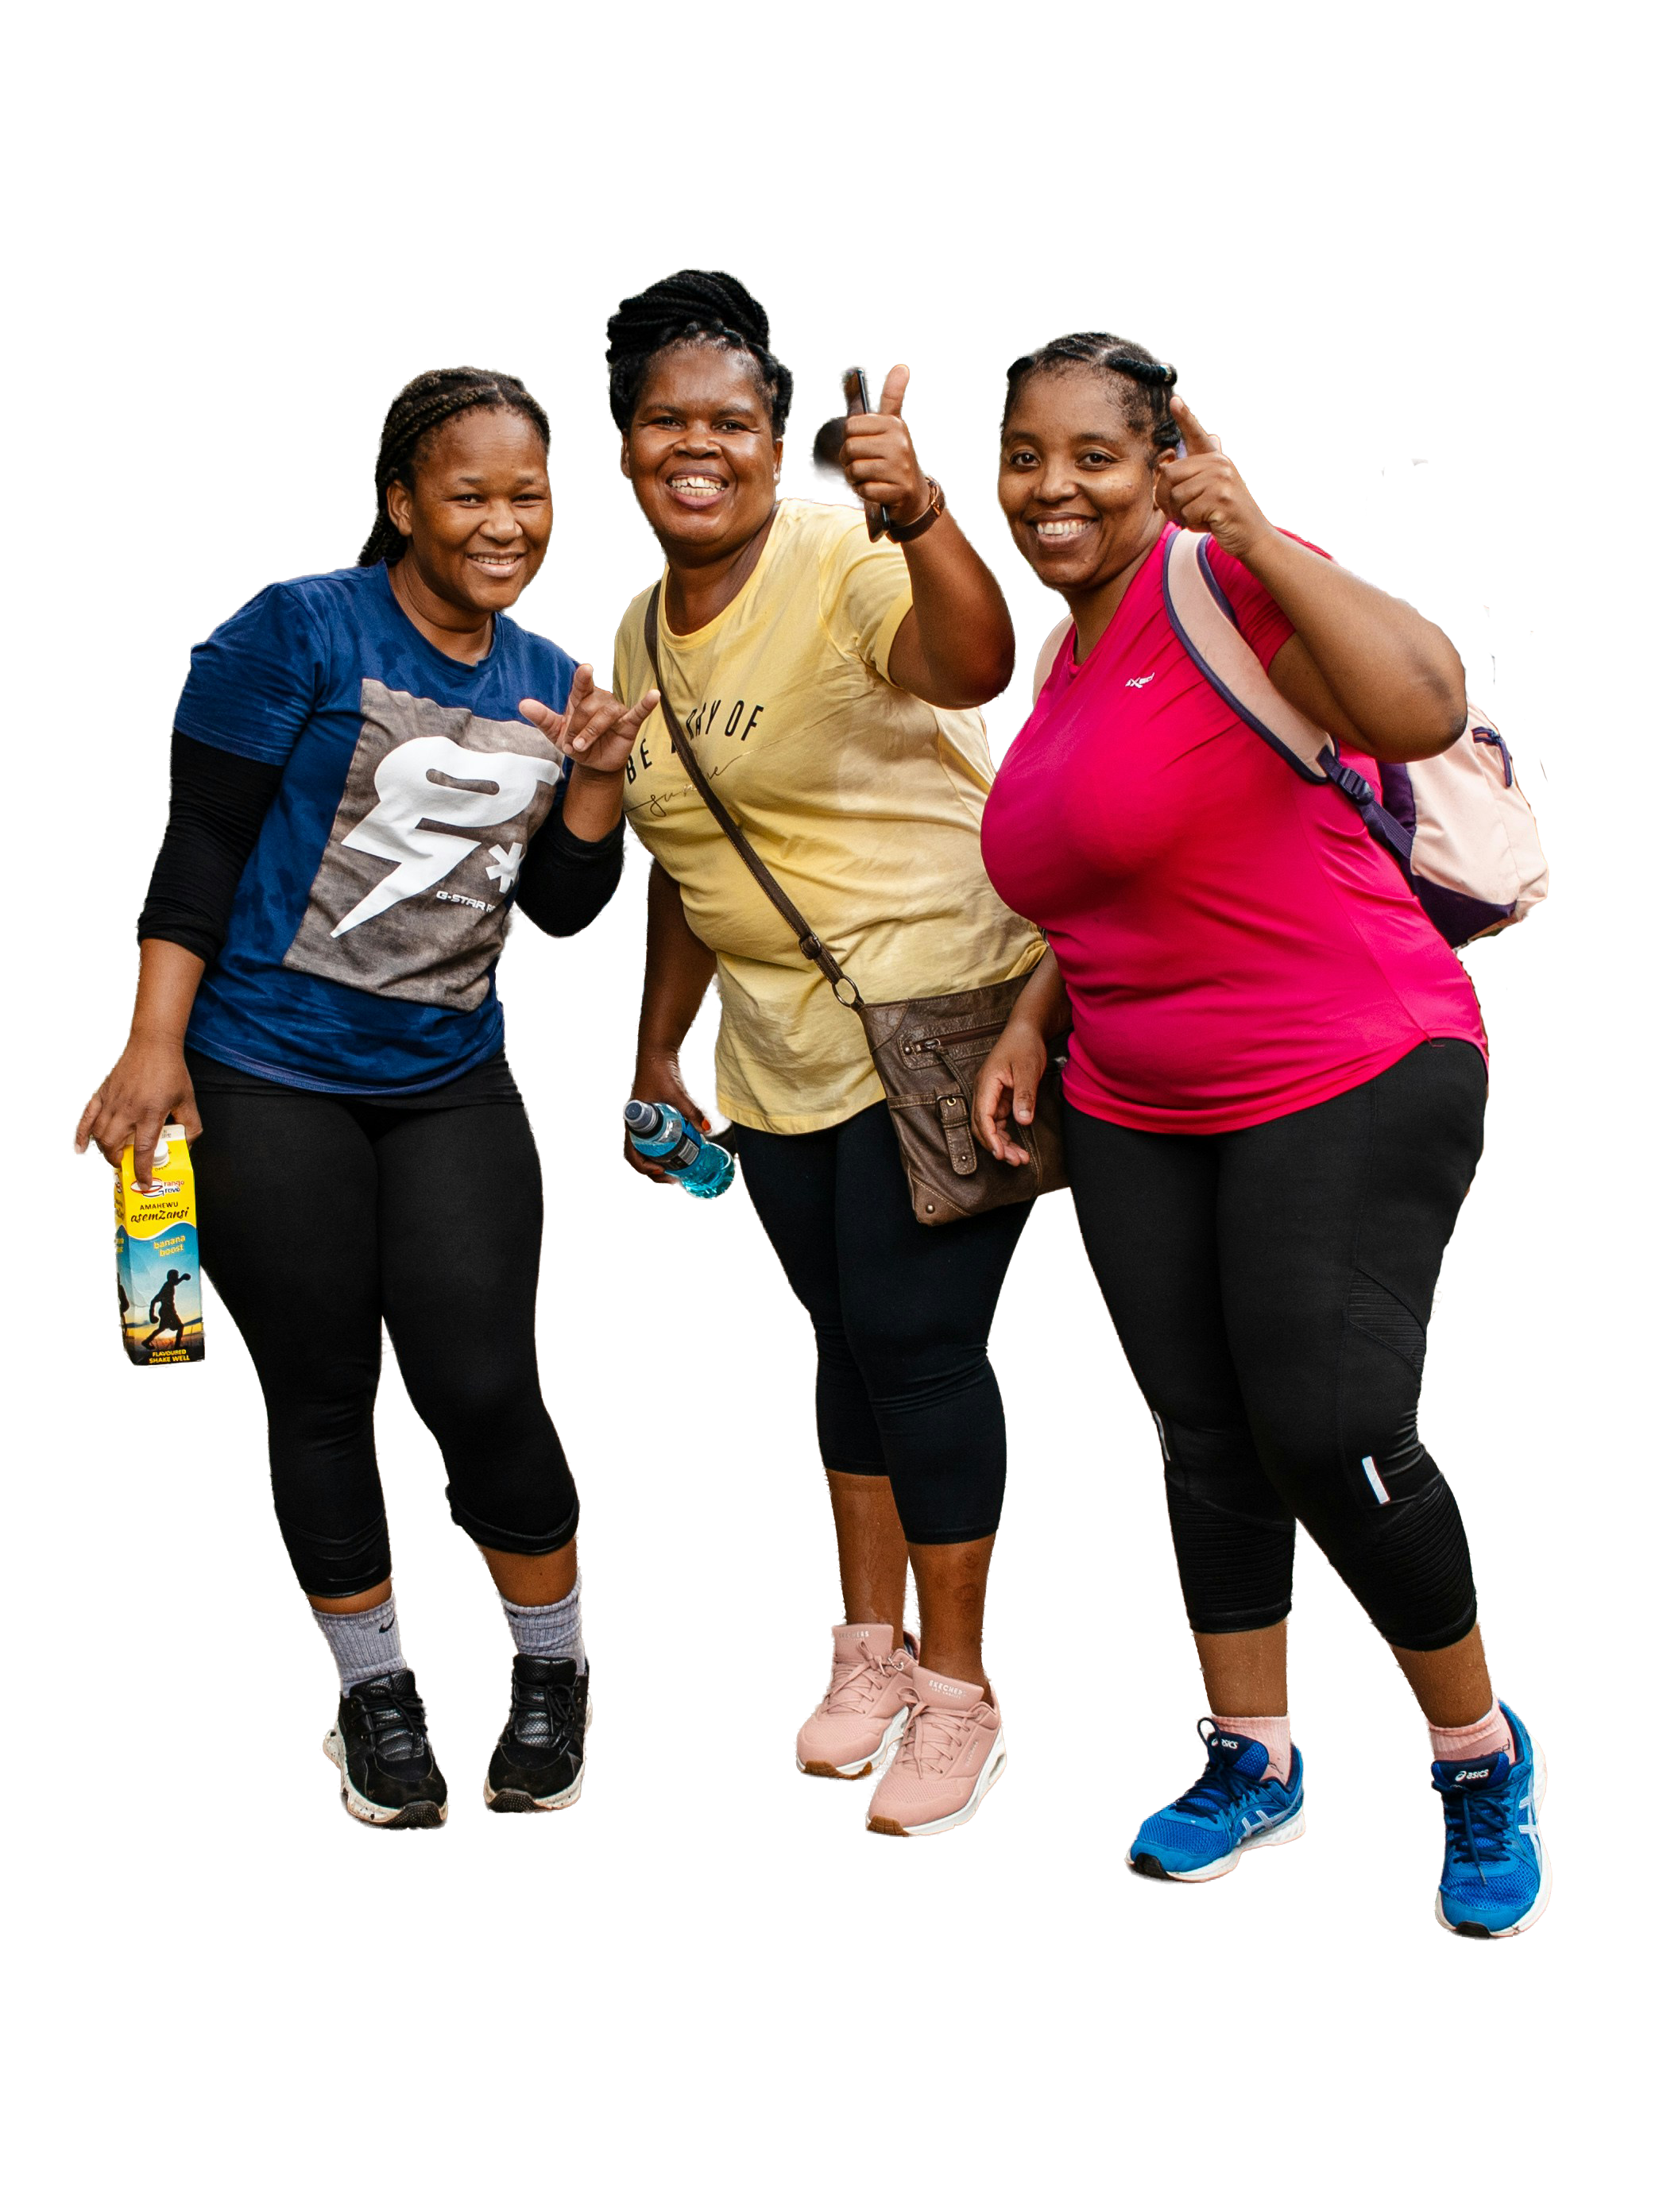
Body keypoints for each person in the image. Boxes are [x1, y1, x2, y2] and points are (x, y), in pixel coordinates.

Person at [975, 336, 1549, 1939]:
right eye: (1025, 456)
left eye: (1094, 455)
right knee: (1206, 1434)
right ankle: (1254, 1759)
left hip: (1349, 1058)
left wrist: (1244, 524)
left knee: (1331, 1430)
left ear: (1159, 462)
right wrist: (1031, 1015)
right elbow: (1112, 863)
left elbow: (1421, 703)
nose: (1053, 486)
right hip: (1136, 1097)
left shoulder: (1226, 584)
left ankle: (1480, 1758)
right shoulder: (1063, 647)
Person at [75, 366, 658, 1830]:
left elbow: (559, 903)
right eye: (469, 494)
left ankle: (551, 1670)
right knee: (322, 1390)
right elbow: (203, 847)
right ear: (403, 502)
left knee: (483, 1384)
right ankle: (373, 1691)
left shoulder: (547, 673)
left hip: (447, 1078)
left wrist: (594, 779)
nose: (504, 522)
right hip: (265, 1066)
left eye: (528, 495)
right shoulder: (298, 629)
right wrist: (154, 1042)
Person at [607, 271, 1045, 1838]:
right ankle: (868, 1656)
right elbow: (684, 860)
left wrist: (918, 510)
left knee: (918, 1348)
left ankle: (958, 1698)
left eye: (730, 419)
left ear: (775, 442)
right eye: (668, 419)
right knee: (848, 1348)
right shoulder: (640, 626)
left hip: (939, 1018)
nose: (699, 445)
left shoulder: (843, 555)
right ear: (626, 441)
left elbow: (974, 663)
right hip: (781, 1047)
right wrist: (660, 1041)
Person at [807, 414, 861, 506]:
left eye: (859, 482)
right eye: (836, 481)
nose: (849, 494)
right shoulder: (796, 513)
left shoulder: (882, 514)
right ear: (812, 469)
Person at [145, 1269, 191, 1350]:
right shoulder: (168, 1286)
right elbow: (154, 1300)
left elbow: (154, 1300)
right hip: (167, 1311)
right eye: (176, 1276)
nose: (177, 1278)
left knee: (162, 1328)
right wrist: (183, 1278)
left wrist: (152, 1315)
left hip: (167, 1310)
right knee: (180, 1326)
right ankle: (177, 1346)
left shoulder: (167, 1287)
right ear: (171, 1277)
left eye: (177, 1276)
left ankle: (146, 1341)